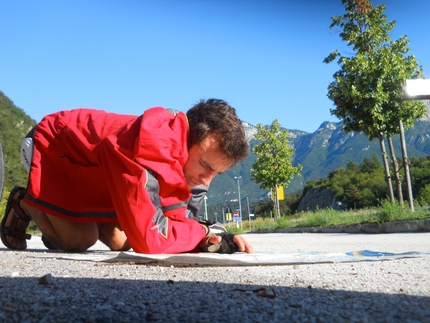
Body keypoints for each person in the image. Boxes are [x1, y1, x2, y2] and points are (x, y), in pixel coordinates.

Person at [1, 99, 253, 254]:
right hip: (52, 146)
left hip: (96, 173)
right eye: (205, 166)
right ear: (188, 140)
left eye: (216, 174)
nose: (206, 181)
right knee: (79, 240)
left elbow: (181, 220)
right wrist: (198, 234)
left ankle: (63, 216)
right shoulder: (151, 149)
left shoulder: (186, 157)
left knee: (122, 242)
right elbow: (151, 240)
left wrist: (216, 237)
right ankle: (25, 202)